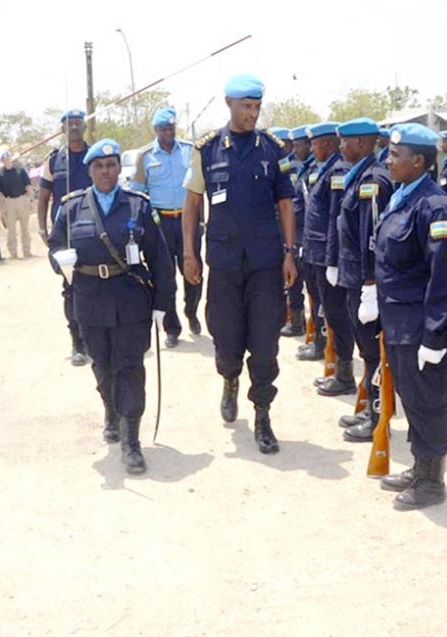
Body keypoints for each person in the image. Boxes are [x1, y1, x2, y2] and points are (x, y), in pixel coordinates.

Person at [181, 74, 297, 455]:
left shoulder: (273, 149)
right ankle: (229, 378)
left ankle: (262, 414)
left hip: (265, 263)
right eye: (246, 106)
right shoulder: (208, 149)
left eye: (257, 107)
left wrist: (289, 252)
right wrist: (189, 253)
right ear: (229, 104)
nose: (253, 113)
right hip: (226, 263)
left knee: (265, 343)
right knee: (226, 338)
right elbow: (193, 203)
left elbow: (285, 204)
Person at [48, 139, 175, 474]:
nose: (105, 172)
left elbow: (160, 259)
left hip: (129, 297)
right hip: (89, 299)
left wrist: (163, 304)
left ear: (120, 169)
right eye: (99, 167)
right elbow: (55, 244)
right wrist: (60, 260)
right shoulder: (72, 206)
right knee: (102, 365)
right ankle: (110, 409)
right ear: (89, 171)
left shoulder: (138, 205)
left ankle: (131, 440)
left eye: (111, 166)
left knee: (129, 367)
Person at [370, 123, 447, 510]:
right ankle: (419, 467)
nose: (388, 160)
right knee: (412, 399)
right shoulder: (402, 196)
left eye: (396, 156)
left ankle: (431, 482)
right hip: (398, 322)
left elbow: (445, 277)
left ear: (419, 161)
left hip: (420, 326)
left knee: (428, 402)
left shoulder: (436, 207)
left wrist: (435, 336)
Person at [332, 117, 393, 441]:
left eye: (346, 141)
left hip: (365, 282)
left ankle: (377, 418)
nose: (341, 147)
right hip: (355, 277)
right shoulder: (360, 177)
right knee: (366, 350)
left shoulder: (373, 181)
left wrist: (370, 285)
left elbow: (372, 238)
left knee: (373, 353)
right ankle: (370, 409)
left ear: (363, 144)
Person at [131, 107, 203, 348]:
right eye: (163, 129)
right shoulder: (145, 156)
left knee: (193, 271)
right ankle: (172, 328)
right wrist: (146, 221)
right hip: (160, 222)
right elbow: (138, 193)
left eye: (171, 128)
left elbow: (199, 187)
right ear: (156, 131)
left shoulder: (189, 150)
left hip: (188, 220)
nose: (168, 133)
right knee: (164, 276)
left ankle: (191, 311)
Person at [302, 122, 356, 395]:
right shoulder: (325, 169)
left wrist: (333, 261)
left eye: (315, 143)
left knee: (338, 314)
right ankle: (335, 364)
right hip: (316, 253)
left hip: (327, 256)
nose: (311, 148)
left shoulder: (338, 172)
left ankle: (345, 375)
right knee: (328, 311)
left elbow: (337, 220)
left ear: (328, 145)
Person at [38, 109, 92, 366]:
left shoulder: (94, 156)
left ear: (84, 126)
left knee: (94, 285)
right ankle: (77, 342)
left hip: (93, 230)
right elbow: (44, 196)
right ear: (62, 129)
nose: (74, 127)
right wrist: (42, 229)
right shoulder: (53, 160)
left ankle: (93, 337)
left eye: (78, 123)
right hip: (65, 234)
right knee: (70, 288)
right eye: (69, 124)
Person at [281, 125, 313, 339]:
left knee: (311, 284)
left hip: (307, 231)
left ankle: (314, 330)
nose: (293, 150)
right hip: (294, 229)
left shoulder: (315, 169)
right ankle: (297, 321)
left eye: (298, 145)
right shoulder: (288, 164)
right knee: (294, 279)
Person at [0, 151, 33, 258]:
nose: (7, 161)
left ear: (11, 159)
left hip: (21, 199)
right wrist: (1, 207)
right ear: (2, 161)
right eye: (5, 160)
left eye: (8, 158)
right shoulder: (0, 174)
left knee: (25, 227)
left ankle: (27, 251)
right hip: (9, 202)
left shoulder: (20, 171)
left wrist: (31, 200)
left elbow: (28, 186)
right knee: (11, 229)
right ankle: (13, 252)